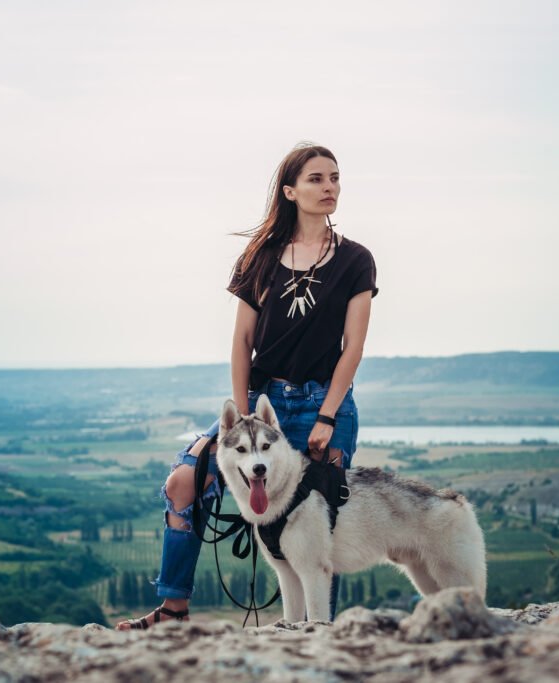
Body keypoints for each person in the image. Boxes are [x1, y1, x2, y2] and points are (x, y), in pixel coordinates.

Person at [116, 143, 378, 630]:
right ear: (290, 191)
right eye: (316, 179)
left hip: (327, 402)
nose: (329, 188)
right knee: (184, 482)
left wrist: (326, 416)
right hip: (262, 403)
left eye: (335, 178)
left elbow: (353, 347)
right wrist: (242, 417)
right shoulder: (259, 258)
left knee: (318, 522)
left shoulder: (356, 260)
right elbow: (241, 340)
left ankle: (319, 639)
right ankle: (174, 609)